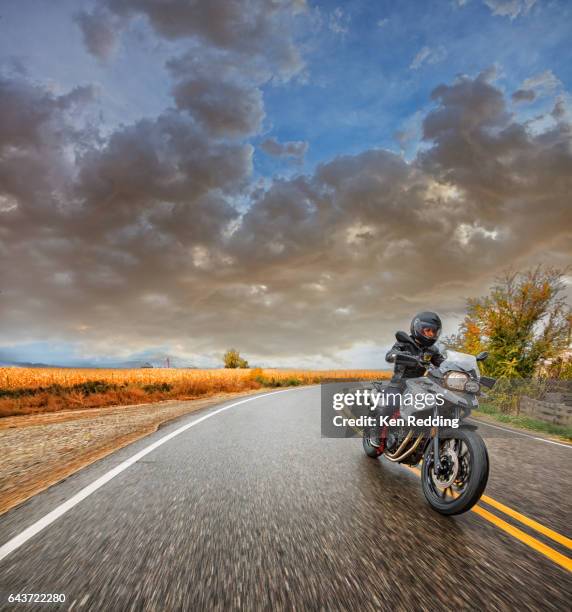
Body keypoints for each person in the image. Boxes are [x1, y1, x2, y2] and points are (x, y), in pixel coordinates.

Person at [369, 311, 446, 448]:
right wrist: (399, 355)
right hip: (399, 385)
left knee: (437, 404)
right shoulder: (404, 342)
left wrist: (455, 367)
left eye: (434, 332)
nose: (431, 334)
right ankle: (376, 432)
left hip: (419, 386)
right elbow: (390, 355)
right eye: (427, 330)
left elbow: (443, 363)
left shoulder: (432, 350)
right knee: (392, 404)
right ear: (417, 328)